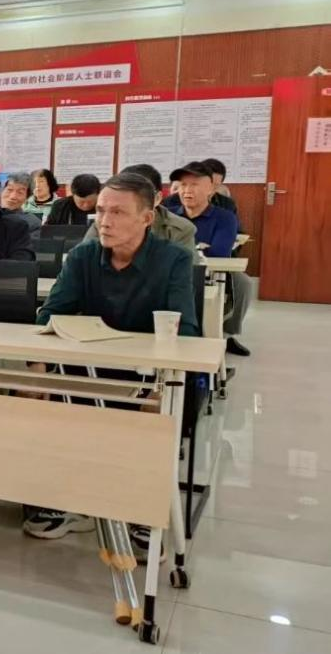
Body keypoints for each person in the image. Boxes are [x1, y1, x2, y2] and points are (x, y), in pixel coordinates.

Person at [27, 172, 200, 549]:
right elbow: (51, 314)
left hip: (149, 373)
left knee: (161, 414)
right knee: (41, 398)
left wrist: (160, 383)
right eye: (102, 211)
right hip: (90, 367)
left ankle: (142, 508)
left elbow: (184, 330)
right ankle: (70, 499)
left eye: (118, 212)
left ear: (147, 218)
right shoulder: (83, 256)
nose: (104, 221)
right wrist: (38, 368)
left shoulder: (173, 259)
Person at [168, 161, 251, 356]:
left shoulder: (225, 217)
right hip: (172, 272)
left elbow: (218, 253)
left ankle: (226, 335)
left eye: (194, 185)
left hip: (211, 273)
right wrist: (199, 248)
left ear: (211, 189)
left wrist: (184, 251)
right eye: (183, 185)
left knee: (243, 283)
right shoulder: (169, 215)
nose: (187, 190)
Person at [83, 164, 196, 255]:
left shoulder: (180, 229)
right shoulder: (105, 222)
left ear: (157, 198)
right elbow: (84, 262)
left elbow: (186, 271)